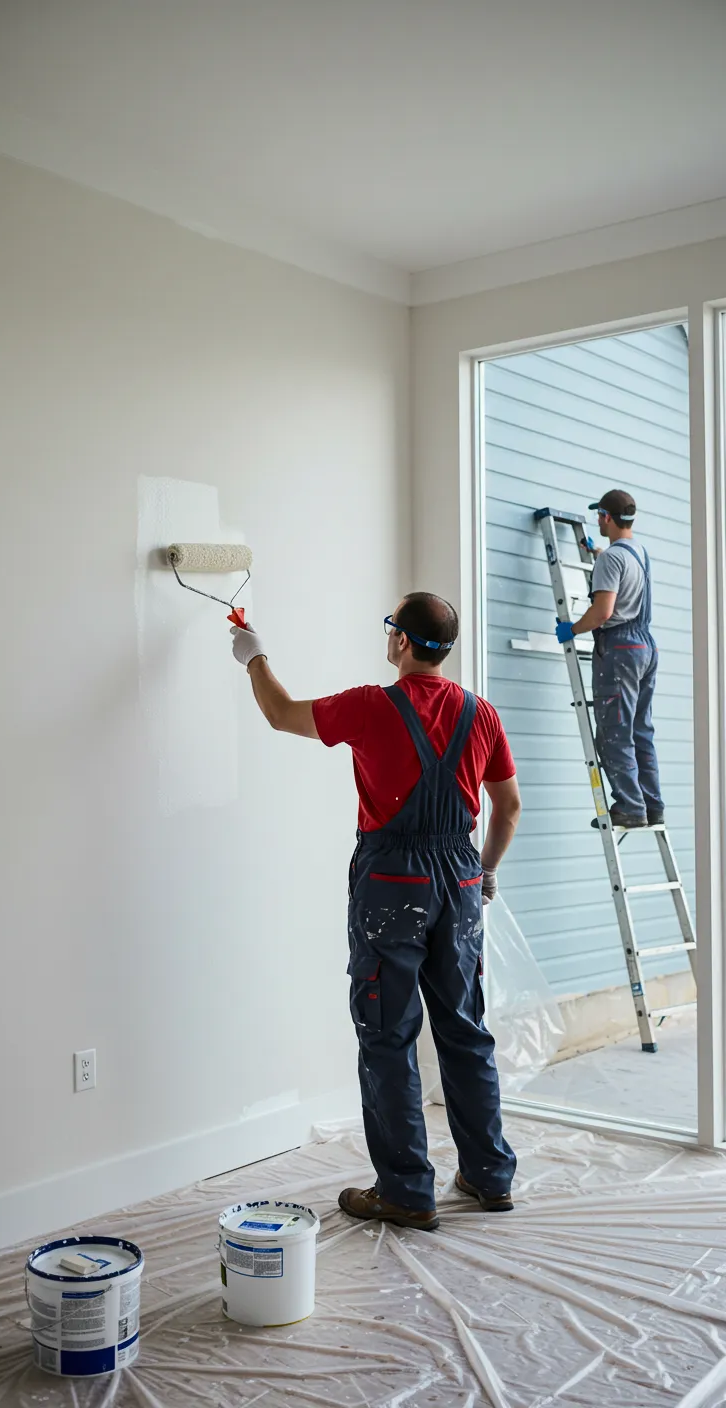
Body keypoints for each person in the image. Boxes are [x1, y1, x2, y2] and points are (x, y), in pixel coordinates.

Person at [231, 592, 521, 1232]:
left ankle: (407, 1192)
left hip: (393, 880)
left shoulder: (369, 705)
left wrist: (254, 657)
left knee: (388, 1034)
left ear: (401, 641)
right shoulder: (481, 713)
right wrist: (486, 870)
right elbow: (508, 807)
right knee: (464, 1028)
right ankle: (489, 1175)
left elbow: (281, 714)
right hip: (460, 876)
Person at [555, 489, 664, 829]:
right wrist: (598, 553)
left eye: (599, 516)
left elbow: (603, 611)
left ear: (605, 517)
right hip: (645, 648)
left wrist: (572, 629)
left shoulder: (611, 560)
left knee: (614, 731)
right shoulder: (638, 552)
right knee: (640, 730)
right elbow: (622, 574)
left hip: (620, 651)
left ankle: (630, 807)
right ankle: (651, 805)